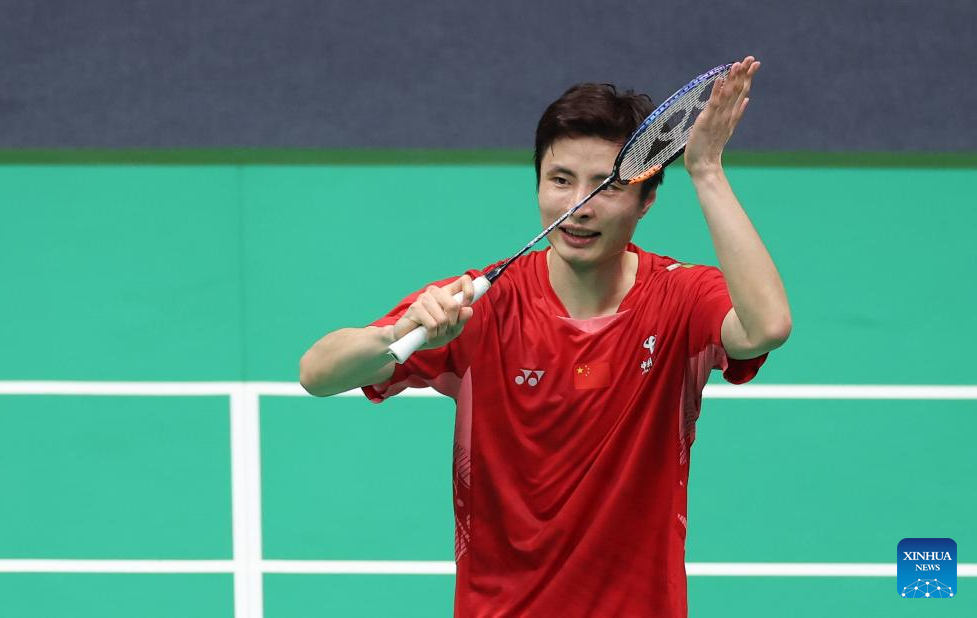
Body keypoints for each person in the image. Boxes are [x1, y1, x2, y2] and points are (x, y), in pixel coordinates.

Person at [300, 56, 790, 617]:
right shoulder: (480, 306)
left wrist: (706, 170)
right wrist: (401, 330)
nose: (578, 206)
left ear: (646, 199)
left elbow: (767, 326)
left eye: (607, 185)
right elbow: (317, 374)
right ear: (538, 185)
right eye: (561, 180)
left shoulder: (680, 299)